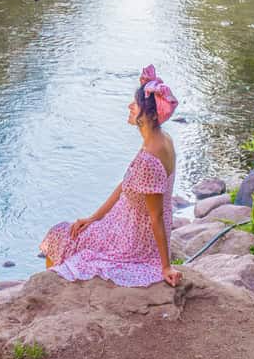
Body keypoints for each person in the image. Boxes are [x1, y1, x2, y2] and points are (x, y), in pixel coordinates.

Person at [40, 65, 183, 287]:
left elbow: (155, 217)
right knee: (70, 231)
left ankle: (53, 289)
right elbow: (127, 184)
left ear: (151, 115)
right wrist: (95, 217)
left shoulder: (150, 158)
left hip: (131, 237)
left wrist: (164, 266)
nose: (130, 106)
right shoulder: (162, 139)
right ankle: (55, 285)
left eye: (135, 105)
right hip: (123, 221)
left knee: (61, 234)